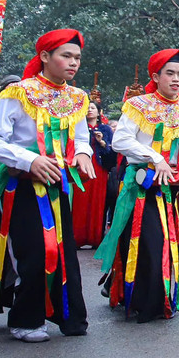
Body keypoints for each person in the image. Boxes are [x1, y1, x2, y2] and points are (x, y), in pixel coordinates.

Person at [0, 29, 97, 341]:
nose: (73, 62)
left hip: (57, 186)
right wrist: (29, 160)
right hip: (21, 187)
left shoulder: (77, 98)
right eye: (66, 55)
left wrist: (82, 154)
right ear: (45, 57)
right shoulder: (18, 93)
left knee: (63, 251)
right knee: (35, 251)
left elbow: (81, 137)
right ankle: (25, 319)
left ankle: (68, 317)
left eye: (77, 57)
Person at [94, 48, 179, 323]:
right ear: (156, 76)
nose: (176, 79)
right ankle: (144, 298)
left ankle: (135, 289)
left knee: (163, 241)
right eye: (170, 73)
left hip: (169, 186)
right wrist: (154, 157)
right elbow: (120, 142)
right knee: (144, 239)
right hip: (140, 184)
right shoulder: (139, 105)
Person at [70, 101, 114, 249]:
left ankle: (95, 237)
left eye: (93, 108)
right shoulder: (78, 127)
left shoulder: (105, 129)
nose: (89, 110)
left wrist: (102, 142)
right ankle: (77, 237)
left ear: (99, 112)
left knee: (98, 202)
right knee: (79, 200)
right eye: (87, 108)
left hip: (99, 169)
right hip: (81, 166)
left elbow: (111, 152)